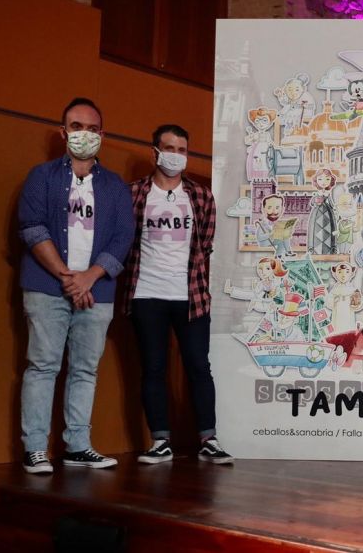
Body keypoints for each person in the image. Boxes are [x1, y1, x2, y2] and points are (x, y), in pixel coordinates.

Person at [18, 97, 133, 474]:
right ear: (63, 132)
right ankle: (35, 448)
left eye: (92, 128)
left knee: (85, 370)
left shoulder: (115, 186)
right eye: (77, 127)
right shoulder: (42, 176)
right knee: (43, 365)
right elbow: (32, 227)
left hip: (97, 292)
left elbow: (123, 237)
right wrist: (68, 277)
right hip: (46, 287)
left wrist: (90, 276)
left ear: (103, 135)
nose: (85, 134)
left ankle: (78, 446)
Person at [124, 124, 233, 465]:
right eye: (169, 148)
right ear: (155, 151)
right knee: (153, 368)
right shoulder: (135, 193)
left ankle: (208, 439)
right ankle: (160, 441)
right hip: (146, 293)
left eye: (182, 150)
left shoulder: (200, 196)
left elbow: (206, 244)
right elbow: (125, 241)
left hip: (191, 296)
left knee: (199, 366)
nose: (176, 155)